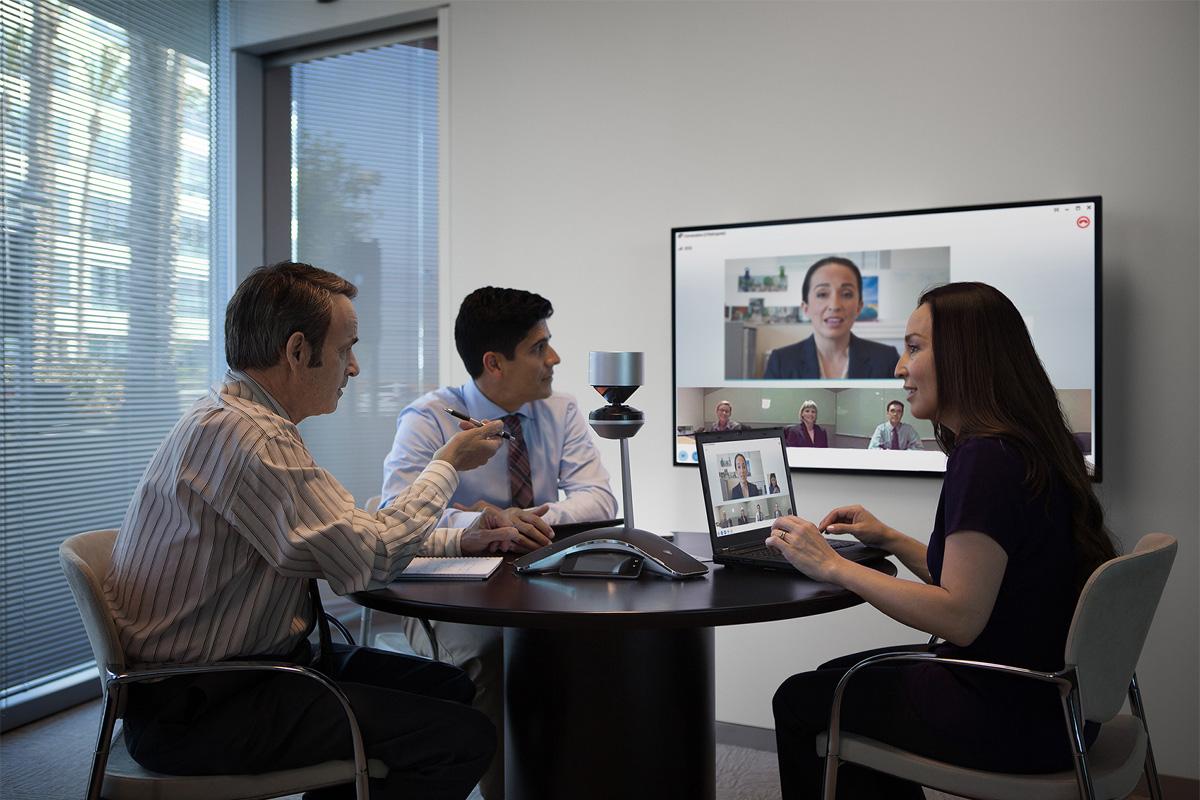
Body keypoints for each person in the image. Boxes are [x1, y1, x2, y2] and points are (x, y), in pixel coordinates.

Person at [105, 262, 524, 800]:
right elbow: (367, 559)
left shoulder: (237, 417)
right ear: (298, 351)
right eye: (346, 348)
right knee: (462, 738)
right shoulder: (251, 438)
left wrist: (460, 539)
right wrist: (446, 465)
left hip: (237, 672)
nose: (354, 368)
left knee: (450, 686)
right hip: (201, 704)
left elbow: (343, 535)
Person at [765, 282, 1118, 799]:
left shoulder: (986, 459)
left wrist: (832, 565)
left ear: (964, 355)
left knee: (799, 699)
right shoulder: (1025, 446)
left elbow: (960, 616)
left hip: (1009, 711)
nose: (899, 368)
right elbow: (981, 582)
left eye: (913, 348)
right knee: (834, 679)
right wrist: (888, 538)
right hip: (1056, 702)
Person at [380, 286, 617, 799]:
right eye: (538, 348)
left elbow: (599, 499)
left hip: (540, 585)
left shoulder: (561, 410)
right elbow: (396, 515)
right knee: (490, 654)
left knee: (601, 645)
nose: (554, 358)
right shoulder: (429, 419)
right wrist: (480, 522)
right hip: (444, 595)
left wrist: (524, 520)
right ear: (494, 363)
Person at [763, 257, 899, 379]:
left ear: (859, 307)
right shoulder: (780, 363)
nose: (834, 306)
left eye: (846, 294)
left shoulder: (886, 360)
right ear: (806, 308)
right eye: (822, 294)